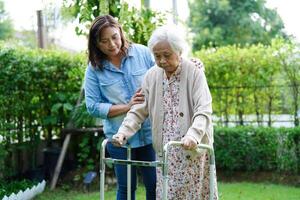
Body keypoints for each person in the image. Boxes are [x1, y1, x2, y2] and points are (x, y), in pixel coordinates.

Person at [112, 25, 219, 200]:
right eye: (157, 56)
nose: (162, 60)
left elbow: (204, 109)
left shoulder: (194, 72)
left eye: (167, 55)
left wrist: (194, 135)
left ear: (179, 51)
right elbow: (138, 110)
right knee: (167, 194)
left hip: (192, 150)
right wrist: (123, 132)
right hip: (166, 152)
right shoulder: (151, 76)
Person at [84, 15, 156, 200]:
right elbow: (92, 106)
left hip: (150, 135)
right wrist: (127, 106)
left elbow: (167, 74)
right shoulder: (94, 69)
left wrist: (192, 65)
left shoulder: (143, 53)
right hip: (119, 139)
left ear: (121, 33)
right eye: (104, 41)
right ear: (96, 43)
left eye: (115, 37)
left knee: (156, 188)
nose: (112, 44)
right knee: (126, 190)